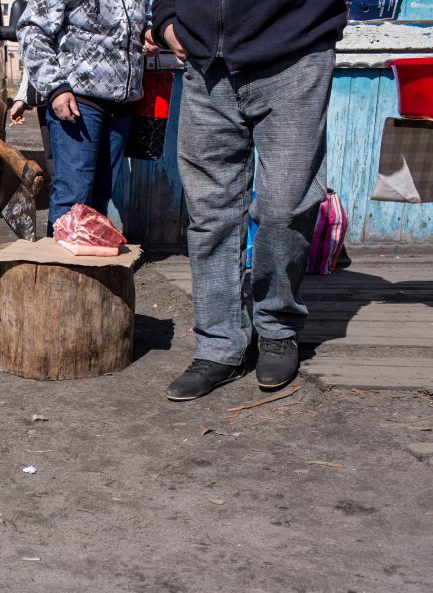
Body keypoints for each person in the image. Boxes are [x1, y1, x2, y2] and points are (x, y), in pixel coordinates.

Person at [151, 1, 348, 401]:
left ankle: (276, 327)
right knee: (210, 216)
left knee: (284, 206)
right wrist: (167, 21)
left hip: (294, 50)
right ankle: (219, 346)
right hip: (206, 64)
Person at [17, 0, 156, 236]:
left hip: (122, 105)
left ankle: (90, 268)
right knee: (74, 197)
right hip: (78, 100)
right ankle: (63, 270)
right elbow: (31, 29)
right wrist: (55, 88)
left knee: (101, 198)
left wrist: (149, 33)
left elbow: (146, 18)